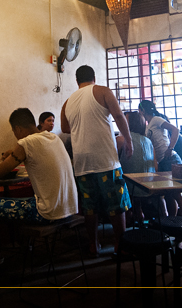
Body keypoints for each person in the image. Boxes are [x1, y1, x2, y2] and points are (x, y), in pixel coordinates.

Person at [0, 108, 78, 265]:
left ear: (18, 129)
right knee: (27, 200)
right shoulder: (53, 138)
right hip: (69, 208)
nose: (15, 136)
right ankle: (26, 249)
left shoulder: (26, 142)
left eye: (14, 131)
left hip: (48, 213)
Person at [60, 65, 132, 257]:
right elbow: (118, 115)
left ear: (77, 81)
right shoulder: (102, 91)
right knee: (116, 203)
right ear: (94, 77)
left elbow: (65, 128)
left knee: (89, 207)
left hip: (82, 163)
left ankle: (93, 245)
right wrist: (129, 140)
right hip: (105, 159)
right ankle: (120, 245)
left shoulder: (67, 102)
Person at [138, 100, 182, 217]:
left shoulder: (156, 119)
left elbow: (175, 130)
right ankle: (173, 223)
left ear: (142, 110)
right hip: (163, 162)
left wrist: (170, 148)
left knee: (177, 194)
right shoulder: (149, 125)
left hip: (171, 159)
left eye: (139, 111)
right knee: (169, 195)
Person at [118, 111, 155, 224]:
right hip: (149, 187)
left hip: (130, 188)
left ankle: (127, 216)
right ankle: (138, 213)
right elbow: (155, 167)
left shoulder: (120, 140)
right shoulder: (149, 142)